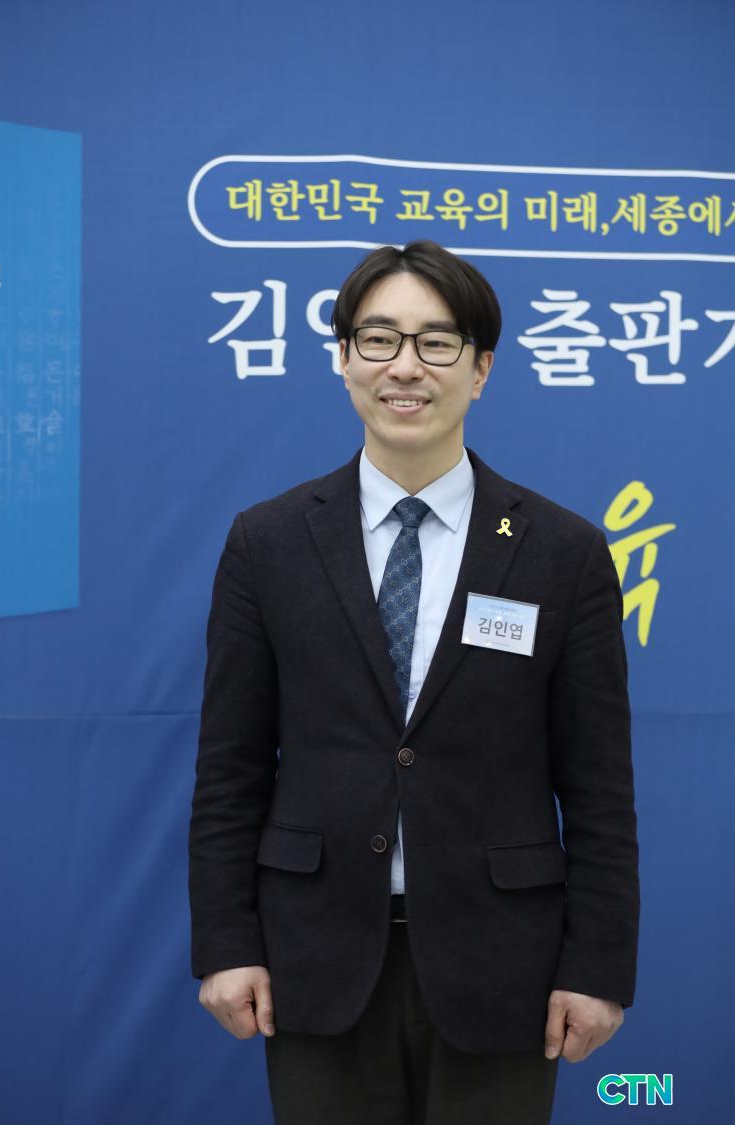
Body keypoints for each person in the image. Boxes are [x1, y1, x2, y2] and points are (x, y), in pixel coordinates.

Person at [188, 240, 640, 1125]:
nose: (405, 366)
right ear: (344, 358)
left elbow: (598, 787)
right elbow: (229, 770)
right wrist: (226, 942)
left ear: (481, 368)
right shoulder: (267, 543)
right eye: (378, 338)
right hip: (315, 956)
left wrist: (597, 965)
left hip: (504, 966)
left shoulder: (564, 552)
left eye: (436, 342)